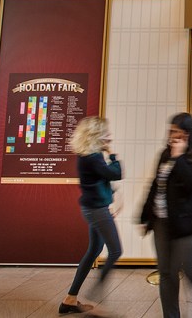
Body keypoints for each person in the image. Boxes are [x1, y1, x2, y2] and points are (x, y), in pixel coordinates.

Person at [141, 113, 192, 318]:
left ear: (189, 133)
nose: (174, 137)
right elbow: (156, 185)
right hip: (163, 221)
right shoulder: (165, 154)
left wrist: (179, 158)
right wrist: (144, 215)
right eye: (172, 131)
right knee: (166, 273)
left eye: (179, 133)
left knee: (188, 268)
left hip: (190, 224)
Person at [60, 117, 122, 315]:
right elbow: (116, 173)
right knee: (115, 251)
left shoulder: (86, 155)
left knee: (94, 250)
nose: (108, 136)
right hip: (97, 210)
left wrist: (111, 195)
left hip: (93, 209)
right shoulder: (93, 157)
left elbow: (100, 180)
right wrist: (113, 155)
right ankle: (95, 292)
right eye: (105, 132)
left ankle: (70, 299)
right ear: (96, 135)